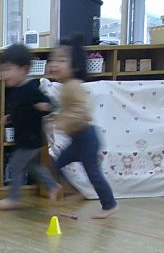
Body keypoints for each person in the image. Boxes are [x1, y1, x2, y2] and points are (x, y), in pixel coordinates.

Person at [49, 38, 118, 219]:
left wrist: (64, 121)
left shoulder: (74, 86)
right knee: (57, 163)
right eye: (53, 60)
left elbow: (82, 110)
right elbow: (68, 109)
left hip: (87, 138)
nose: (55, 64)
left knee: (93, 173)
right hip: (77, 140)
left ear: (75, 67)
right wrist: (58, 117)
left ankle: (110, 205)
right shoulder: (64, 87)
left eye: (62, 60)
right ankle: (74, 191)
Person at [0, 43, 60, 209]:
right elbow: (22, 110)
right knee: (33, 165)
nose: (3, 74)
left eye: (8, 69)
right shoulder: (16, 90)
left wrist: (45, 107)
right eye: (2, 70)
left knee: (16, 165)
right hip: (24, 138)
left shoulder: (31, 88)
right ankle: (53, 186)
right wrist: (10, 117)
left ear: (23, 69)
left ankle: (13, 198)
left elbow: (51, 104)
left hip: (31, 139)